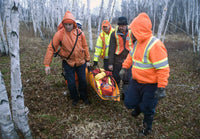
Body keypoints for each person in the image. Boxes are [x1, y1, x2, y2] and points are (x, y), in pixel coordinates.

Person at [119, 13, 170, 136]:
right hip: (136, 81)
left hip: (151, 85)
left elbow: (163, 69)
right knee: (128, 102)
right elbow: (130, 57)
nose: (131, 33)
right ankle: (138, 108)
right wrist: (124, 68)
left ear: (140, 30)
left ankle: (147, 128)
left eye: (133, 30)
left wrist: (161, 87)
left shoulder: (155, 45)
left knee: (147, 108)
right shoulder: (137, 43)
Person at [44, 11, 91, 106]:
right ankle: (75, 98)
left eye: (70, 24)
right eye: (66, 24)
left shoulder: (80, 33)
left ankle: (84, 97)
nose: (68, 26)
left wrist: (88, 60)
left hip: (81, 62)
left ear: (73, 24)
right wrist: (47, 64)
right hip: (68, 62)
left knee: (83, 81)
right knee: (71, 83)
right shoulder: (60, 34)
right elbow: (51, 48)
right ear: (63, 24)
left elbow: (85, 46)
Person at [108, 16, 133, 98]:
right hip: (117, 60)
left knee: (127, 79)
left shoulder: (132, 33)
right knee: (116, 78)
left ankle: (125, 94)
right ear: (118, 25)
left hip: (128, 60)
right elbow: (111, 49)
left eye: (123, 26)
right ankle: (116, 93)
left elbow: (137, 46)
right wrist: (110, 63)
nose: (122, 27)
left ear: (126, 25)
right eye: (120, 26)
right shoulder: (113, 34)